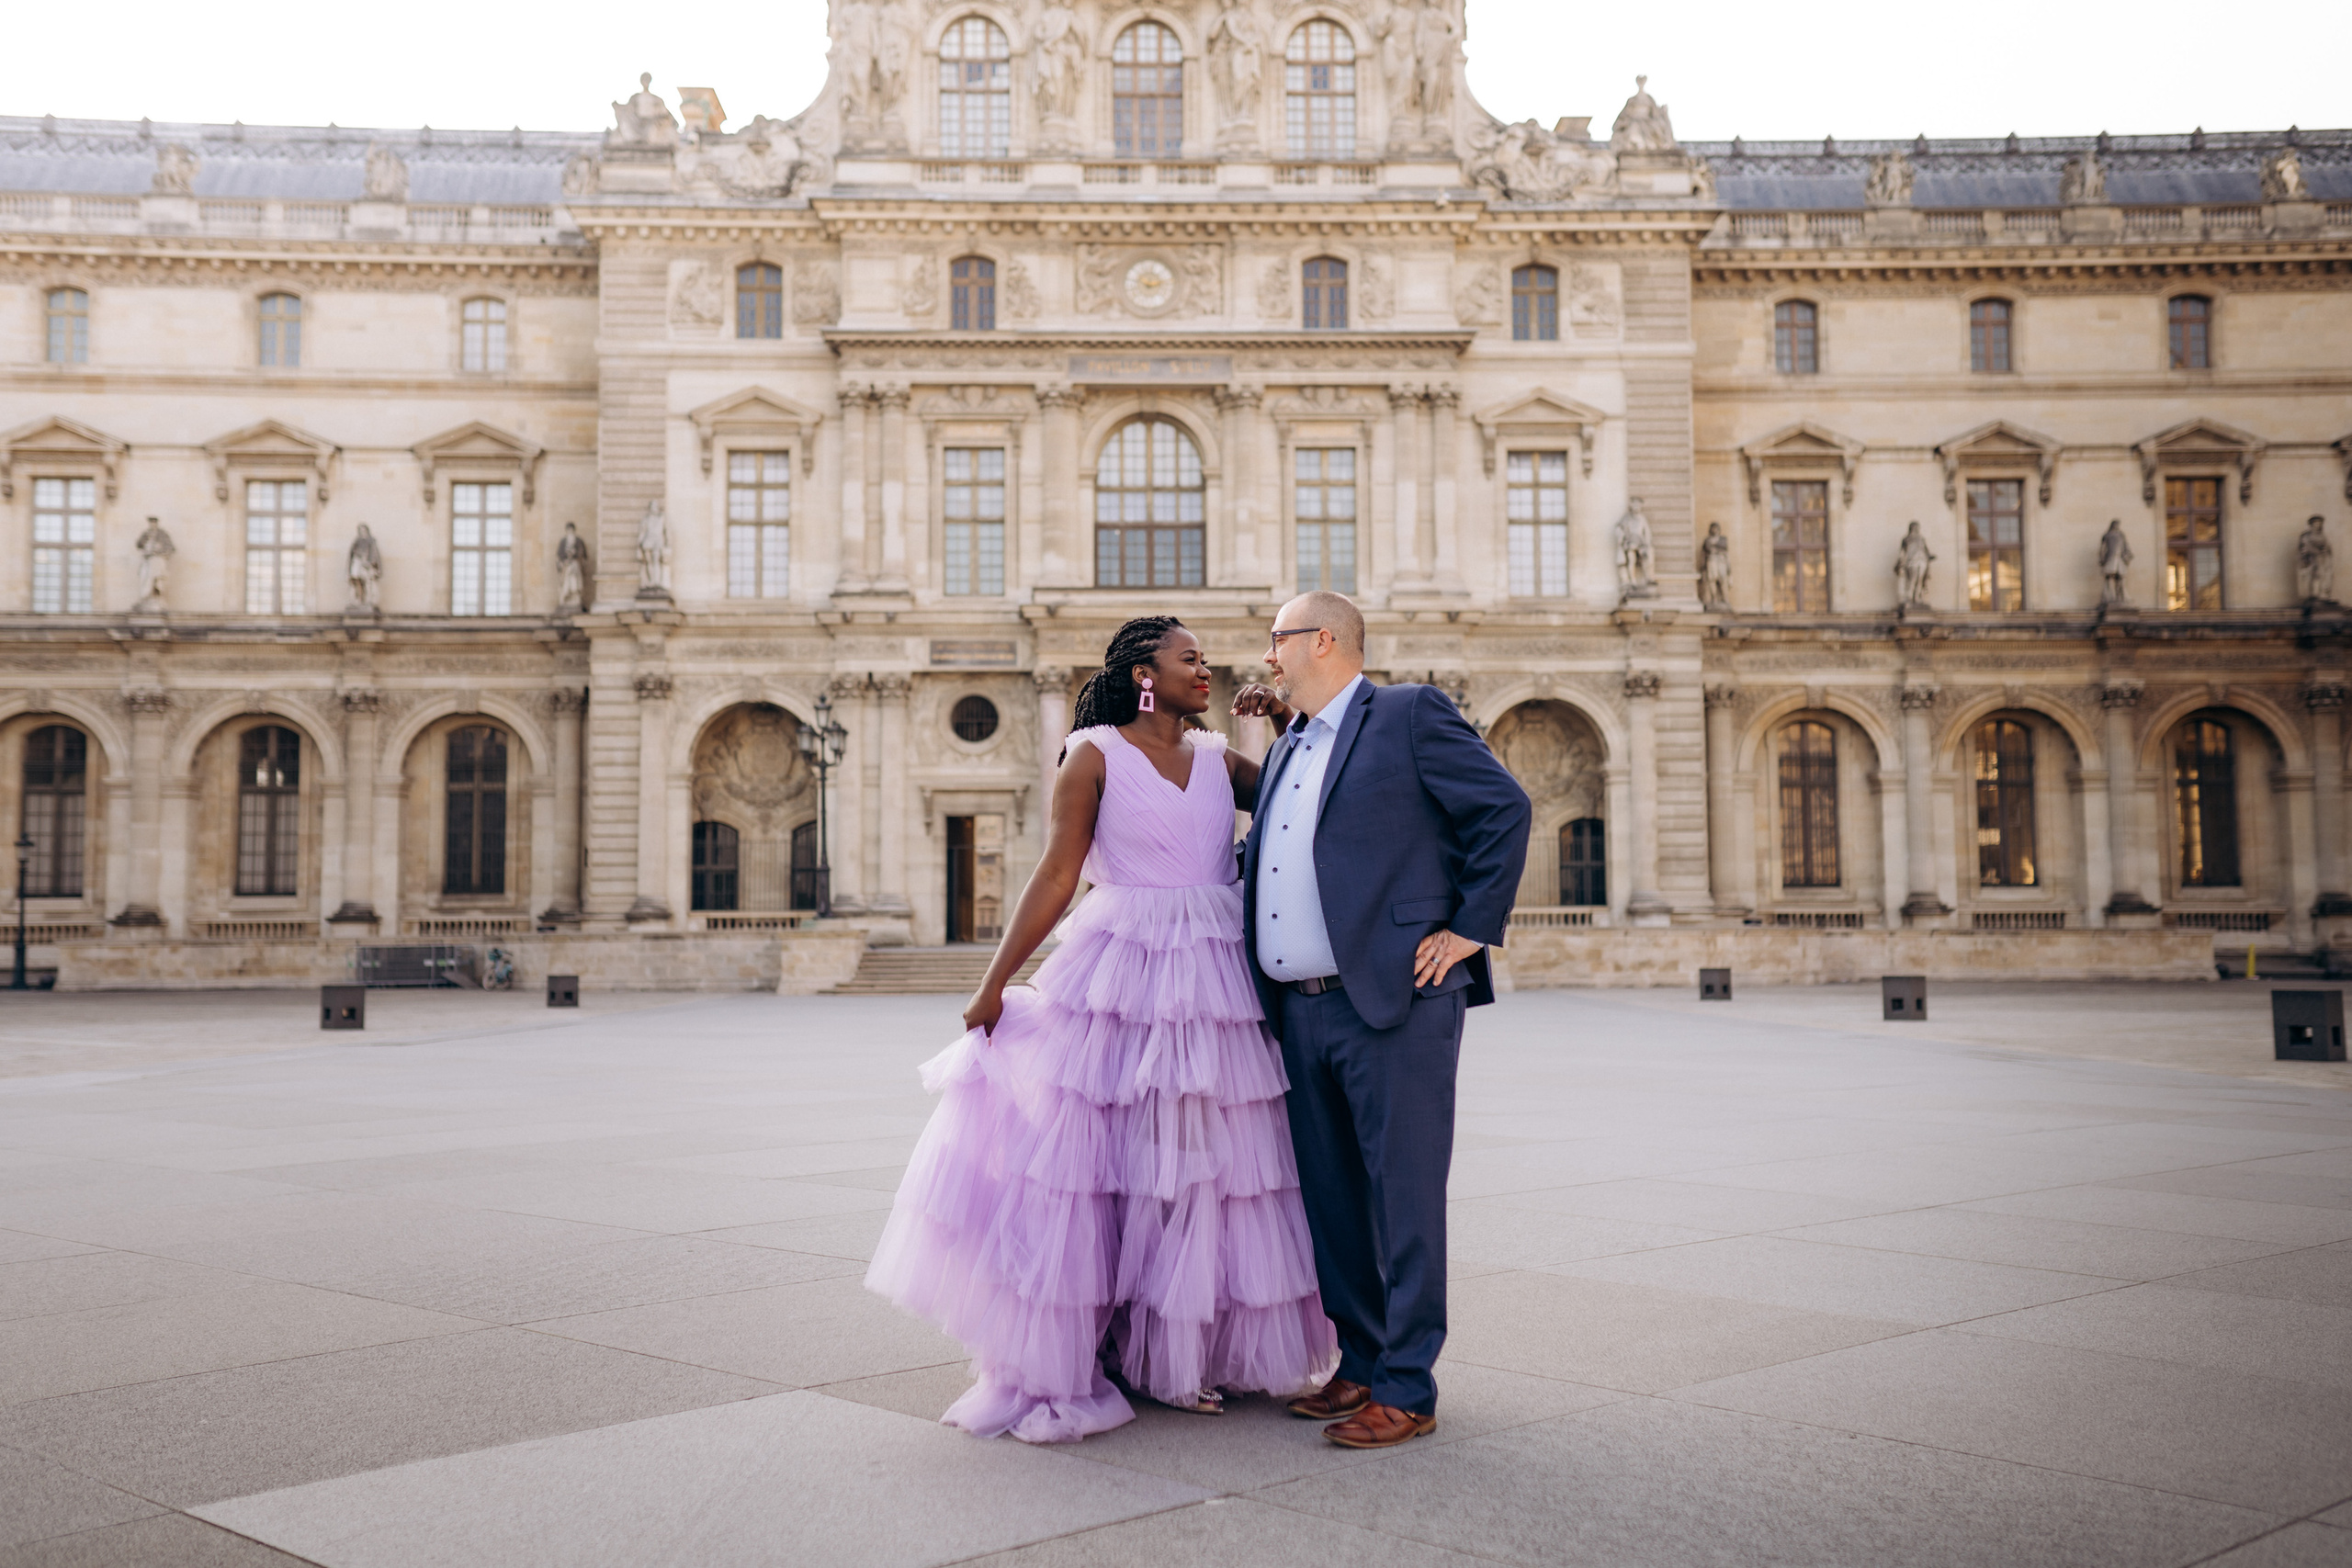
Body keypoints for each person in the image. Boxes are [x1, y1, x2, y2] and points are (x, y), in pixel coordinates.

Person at [866, 616, 1338, 1443]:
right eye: (1189, 659)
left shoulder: (1217, 757)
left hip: (1216, 970)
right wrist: (994, 981)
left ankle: (1187, 1349)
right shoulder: (1091, 753)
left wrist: (1283, 721)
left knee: (1207, 1166)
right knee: (1115, 1166)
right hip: (1123, 967)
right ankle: (1126, 1343)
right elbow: (1057, 873)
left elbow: (1303, 797)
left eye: (1206, 659)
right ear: (1143, 674)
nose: (1206, 670)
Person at [1231, 591, 1531, 1450]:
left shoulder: (1407, 714)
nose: (1268, 654)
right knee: (1331, 1200)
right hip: (1300, 1009)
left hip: (1394, 1002)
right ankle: (1359, 1360)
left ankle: (1407, 1386)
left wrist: (1470, 926)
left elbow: (1503, 808)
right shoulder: (1288, 746)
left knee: (1403, 1197)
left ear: (1323, 639)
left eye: (1278, 638)